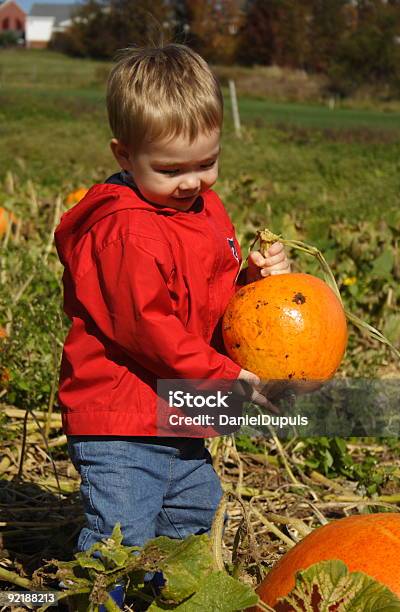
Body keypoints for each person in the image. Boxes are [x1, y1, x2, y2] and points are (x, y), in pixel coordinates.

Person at [54, 41, 290, 611]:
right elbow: (152, 331)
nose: (192, 182)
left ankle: (160, 599)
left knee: (192, 508)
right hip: (121, 416)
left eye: (206, 163)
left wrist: (251, 283)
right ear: (125, 154)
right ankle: (97, 602)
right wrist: (227, 376)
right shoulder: (126, 233)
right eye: (171, 169)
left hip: (178, 405)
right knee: (123, 531)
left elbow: (204, 299)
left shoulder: (201, 210)